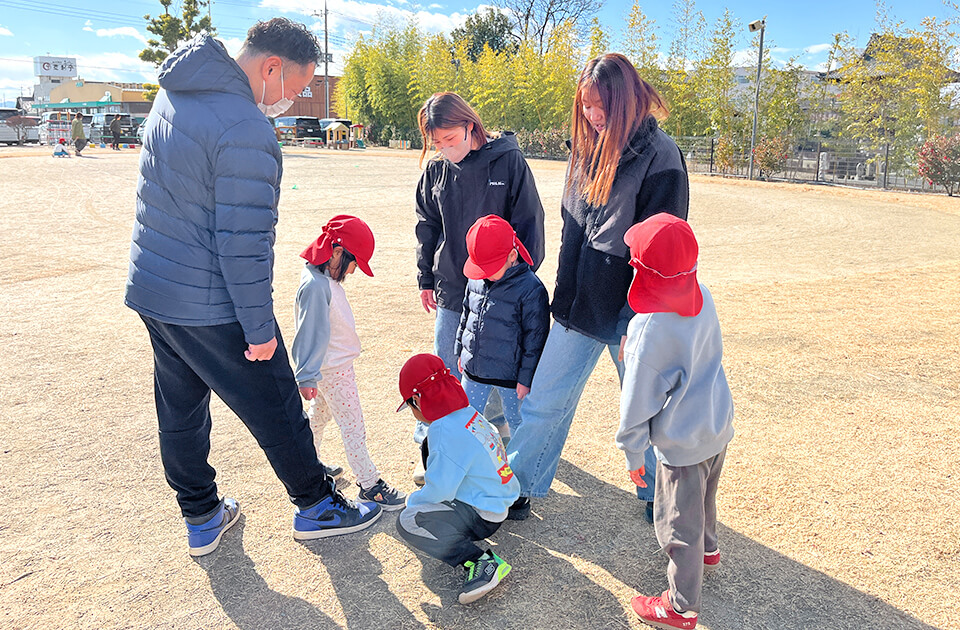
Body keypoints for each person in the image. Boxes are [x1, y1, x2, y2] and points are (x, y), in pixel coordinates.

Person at [124, 18, 381, 557]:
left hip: (155, 287)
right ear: (271, 68)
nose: (293, 98)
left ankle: (201, 515)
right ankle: (316, 504)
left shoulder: (173, 95)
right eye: (296, 86)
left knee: (180, 407)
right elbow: (243, 241)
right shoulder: (246, 127)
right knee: (277, 401)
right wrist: (260, 329)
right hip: (209, 299)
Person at [505, 53, 690, 522]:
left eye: (601, 104)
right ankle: (515, 489)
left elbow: (663, 247)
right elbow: (572, 228)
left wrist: (638, 320)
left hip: (633, 309)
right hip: (578, 304)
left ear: (625, 99)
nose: (592, 114)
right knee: (544, 400)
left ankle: (658, 497)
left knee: (647, 411)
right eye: (585, 105)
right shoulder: (586, 146)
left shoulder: (661, 155)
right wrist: (561, 296)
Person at [413, 92, 546, 475]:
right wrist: (425, 276)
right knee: (451, 367)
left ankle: (500, 439)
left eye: (450, 140)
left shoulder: (508, 161)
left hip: (504, 291)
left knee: (503, 373)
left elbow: (528, 222)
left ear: (471, 126)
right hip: (454, 287)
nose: (444, 149)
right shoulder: (436, 172)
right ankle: (440, 448)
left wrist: (521, 280)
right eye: (436, 143)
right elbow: (427, 227)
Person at [616, 213, 734, 630]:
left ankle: (681, 606)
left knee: (676, 524)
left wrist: (633, 452)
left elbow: (637, 403)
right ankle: (709, 551)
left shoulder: (649, 329)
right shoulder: (703, 293)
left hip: (681, 444)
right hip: (716, 426)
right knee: (704, 498)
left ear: (641, 273)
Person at [291, 214, 407, 510]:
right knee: (353, 426)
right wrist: (305, 375)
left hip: (330, 368)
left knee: (318, 419)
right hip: (334, 370)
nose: (353, 271)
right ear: (338, 252)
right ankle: (369, 484)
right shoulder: (317, 286)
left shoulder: (322, 280)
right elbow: (309, 332)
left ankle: (308, 467)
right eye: (354, 263)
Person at [395, 353, 520, 604]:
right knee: (431, 449)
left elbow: (439, 491)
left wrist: (415, 501)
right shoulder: (466, 413)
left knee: (409, 520)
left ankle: (481, 562)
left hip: (482, 514)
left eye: (409, 404)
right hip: (499, 499)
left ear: (417, 400)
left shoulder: (443, 430)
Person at [454, 215, 550, 443]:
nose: (484, 274)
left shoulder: (531, 289)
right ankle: (475, 466)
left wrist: (526, 379)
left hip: (511, 379)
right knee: (468, 421)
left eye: (489, 268)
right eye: (480, 268)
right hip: (474, 371)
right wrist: (461, 349)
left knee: (518, 424)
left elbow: (535, 340)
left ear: (512, 256)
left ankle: (517, 470)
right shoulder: (476, 279)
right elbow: (466, 313)